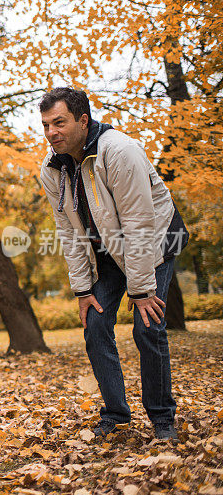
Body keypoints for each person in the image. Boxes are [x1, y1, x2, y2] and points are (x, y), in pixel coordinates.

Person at [38, 87, 188, 440]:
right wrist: (83, 289)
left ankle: (162, 417)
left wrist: (140, 289)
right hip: (106, 251)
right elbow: (69, 231)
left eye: (59, 123)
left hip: (155, 241)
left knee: (147, 327)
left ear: (82, 120)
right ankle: (117, 415)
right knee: (95, 325)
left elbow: (139, 224)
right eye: (45, 125)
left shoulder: (119, 152)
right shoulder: (52, 169)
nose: (51, 133)